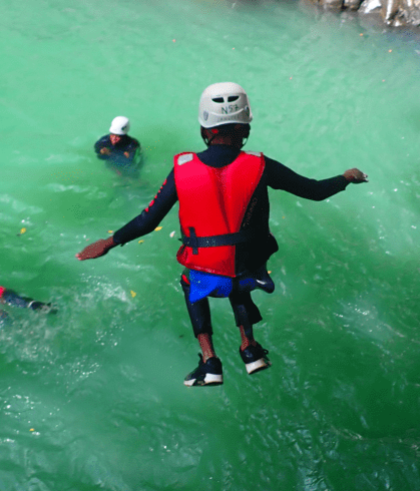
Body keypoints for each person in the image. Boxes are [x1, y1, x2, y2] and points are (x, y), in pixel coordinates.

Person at [77, 82, 368, 387]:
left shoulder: (182, 168)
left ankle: (209, 361)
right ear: (245, 128)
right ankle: (249, 348)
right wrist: (345, 177)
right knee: (238, 272)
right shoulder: (261, 165)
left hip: (207, 270)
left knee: (191, 280)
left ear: (205, 129)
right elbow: (315, 191)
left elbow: (148, 220)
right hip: (248, 269)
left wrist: (108, 242)